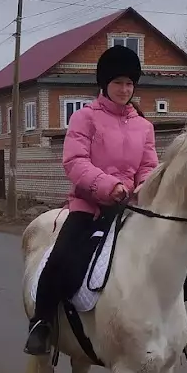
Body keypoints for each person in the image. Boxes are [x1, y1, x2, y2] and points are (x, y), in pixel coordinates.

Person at [25, 45, 158, 356]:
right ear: (104, 84)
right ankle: (41, 323)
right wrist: (109, 187)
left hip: (129, 209)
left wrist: (142, 187)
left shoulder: (144, 125)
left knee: (172, 264)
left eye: (129, 83)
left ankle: (172, 324)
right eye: (118, 83)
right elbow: (74, 162)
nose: (124, 89)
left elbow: (149, 166)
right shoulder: (84, 118)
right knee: (60, 262)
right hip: (90, 207)